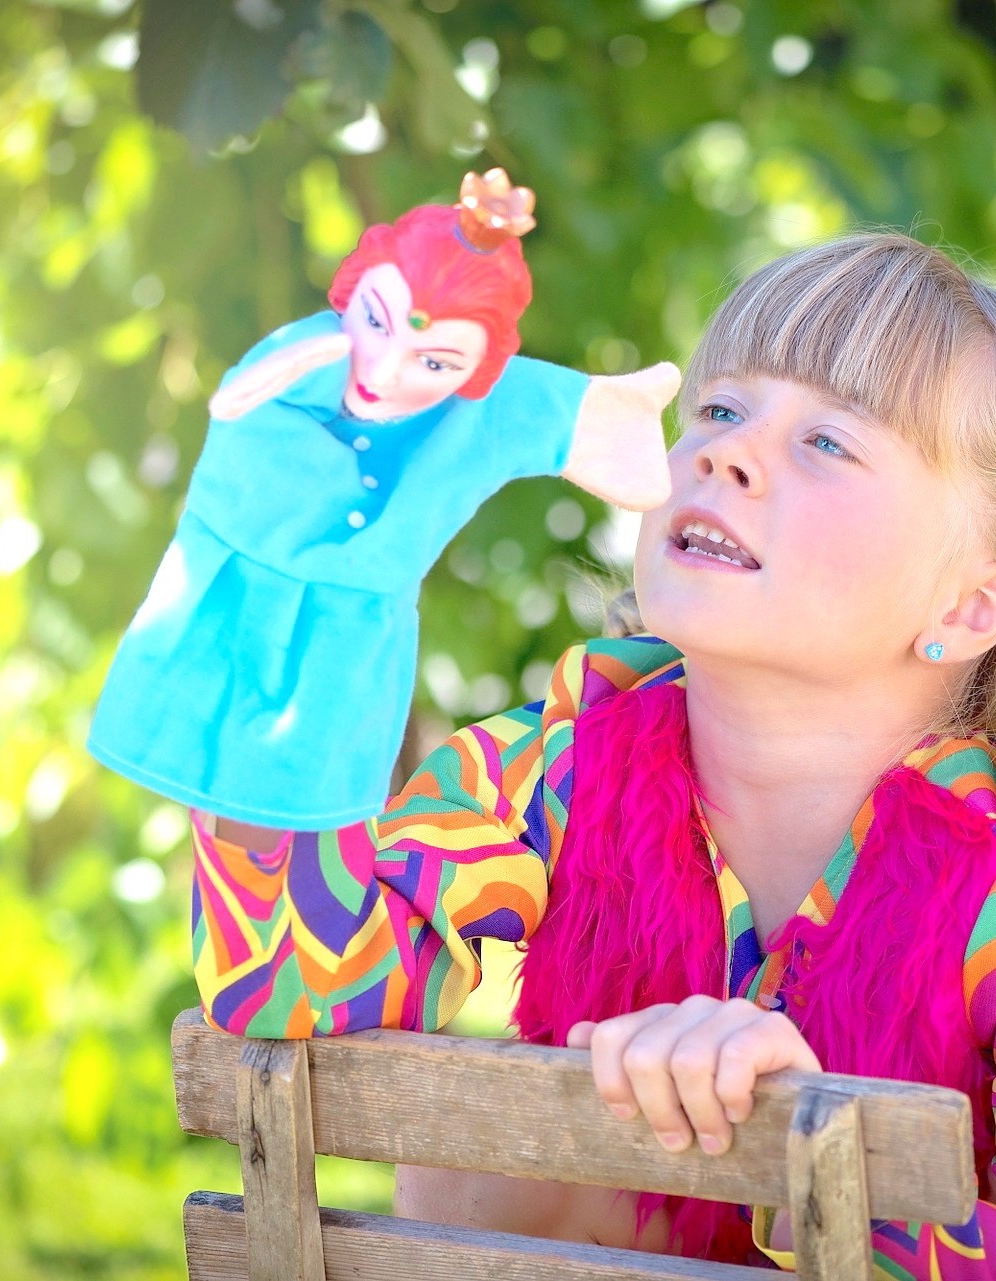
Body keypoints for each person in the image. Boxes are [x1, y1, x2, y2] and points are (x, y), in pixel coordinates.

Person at [190, 232, 996, 1278]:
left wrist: (808, 1153)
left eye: (828, 441)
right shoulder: (563, 761)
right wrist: (275, 672)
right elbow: (297, 992)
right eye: (721, 409)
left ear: (972, 605)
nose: (727, 458)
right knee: (483, 1180)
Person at [87, 169, 674, 831]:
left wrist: (634, 428)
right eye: (376, 321)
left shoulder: (483, 411)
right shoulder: (302, 364)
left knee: (305, 821)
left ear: (476, 372)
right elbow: (238, 397)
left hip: (352, 633)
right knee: (211, 782)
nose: (387, 368)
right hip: (232, 593)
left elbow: (583, 420)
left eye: (435, 362)